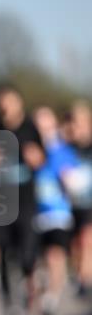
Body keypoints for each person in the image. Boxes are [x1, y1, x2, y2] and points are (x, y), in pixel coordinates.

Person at [0, 83, 44, 315]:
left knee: (26, 253)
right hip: (2, 200)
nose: (5, 106)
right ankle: (10, 303)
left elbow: (42, 159)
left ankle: (32, 280)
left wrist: (35, 157)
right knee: (3, 253)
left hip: (26, 199)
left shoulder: (30, 127)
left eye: (9, 101)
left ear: (19, 102)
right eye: (2, 102)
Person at [32, 106, 80, 315]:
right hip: (34, 213)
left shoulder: (62, 149)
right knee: (37, 259)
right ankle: (42, 286)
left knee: (55, 255)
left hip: (58, 212)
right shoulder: (27, 148)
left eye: (46, 123)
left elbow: (73, 180)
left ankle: (52, 295)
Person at [63, 100, 92, 296]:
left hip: (89, 203)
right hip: (68, 204)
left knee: (87, 238)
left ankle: (85, 280)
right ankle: (77, 272)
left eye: (81, 121)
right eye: (73, 121)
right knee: (74, 244)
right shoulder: (65, 147)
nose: (77, 126)